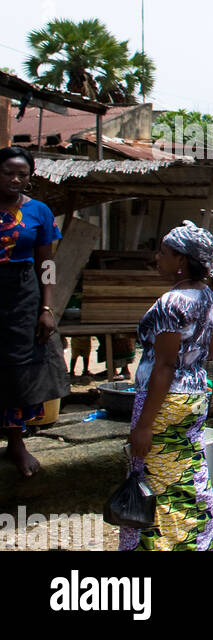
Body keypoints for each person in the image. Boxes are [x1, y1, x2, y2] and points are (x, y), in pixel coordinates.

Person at [121, 221, 213, 551]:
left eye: (164, 253)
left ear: (182, 260)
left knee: (155, 477)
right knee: (187, 473)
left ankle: (162, 546)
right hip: (194, 397)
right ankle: (197, 541)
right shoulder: (209, 298)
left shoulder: (172, 303)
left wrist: (144, 426)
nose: (157, 258)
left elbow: (164, 366)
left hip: (165, 401)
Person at [0, 147, 69, 478]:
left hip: (22, 298)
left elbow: (47, 264)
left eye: (22, 175)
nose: (15, 180)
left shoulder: (39, 212)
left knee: (18, 371)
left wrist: (47, 306)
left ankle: (16, 443)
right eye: (8, 173)